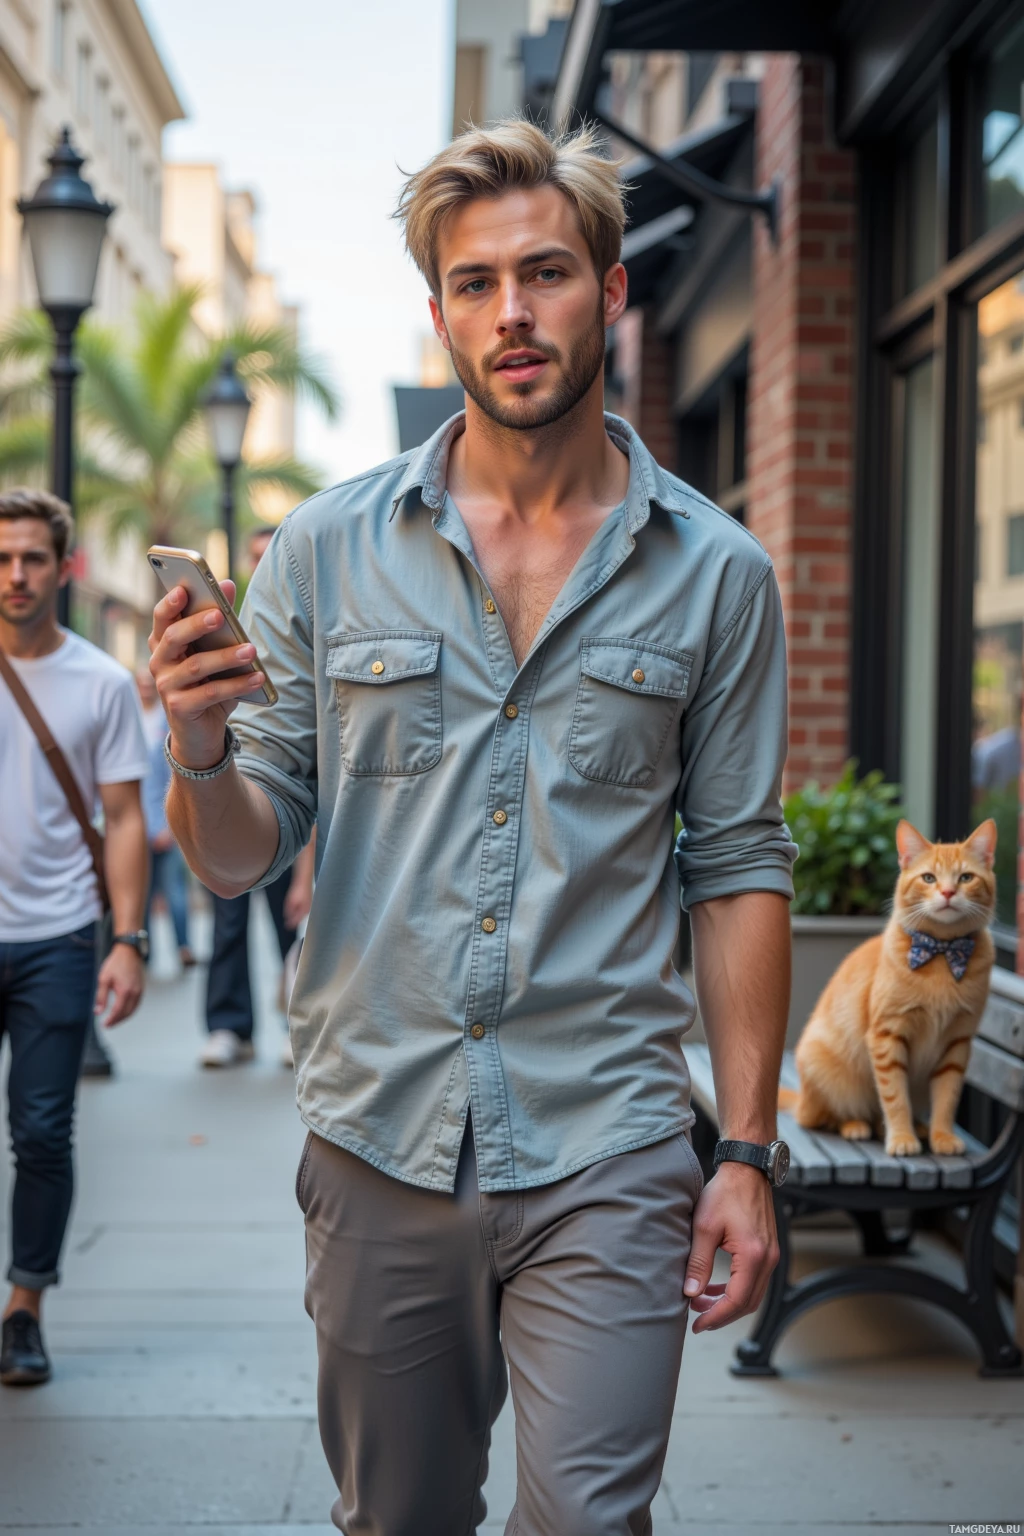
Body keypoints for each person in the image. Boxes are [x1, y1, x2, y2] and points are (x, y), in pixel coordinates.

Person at [151, 120, 795, 1534]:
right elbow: (244, 849)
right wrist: (200, 749)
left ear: (612, 294)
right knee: (402, 1520)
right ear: (437, 310)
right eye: (474, 282)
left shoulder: (722, 574)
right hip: (382, 1136)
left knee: (589, 1521)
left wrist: (744, 1155)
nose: (513, 312)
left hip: (611, 1142)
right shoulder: (323, 548)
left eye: (548, 272)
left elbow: (740, 864)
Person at [0, 489, 149, 1387]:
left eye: (32, 558)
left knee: (43, 1131)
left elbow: (126, 819)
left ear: (65, 567)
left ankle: (24, 1307)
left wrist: (126, 939)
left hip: (57, 936)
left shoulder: (99, 681)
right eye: (2, 558)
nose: (16, 574)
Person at [198, 525, 314, 1068]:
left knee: (289, 919)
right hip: (229, 791)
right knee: (227, 921)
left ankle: (297, 1021)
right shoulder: (225, 630)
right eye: (257, 556)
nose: (266, 564)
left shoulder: (304, 621)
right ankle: (228, 1025)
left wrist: (308, 868)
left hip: (287, 806)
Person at [136, 668, 195, 970]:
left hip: (165, 821)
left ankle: (183, 946)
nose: (145, 689)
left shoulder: (166, 721)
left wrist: (166, 825)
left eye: (149, 684)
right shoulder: (129, 719)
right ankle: (143, 953)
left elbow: (175, 777)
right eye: (140, 684)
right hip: (136, 827)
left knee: (174, 890)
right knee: (141, 895)